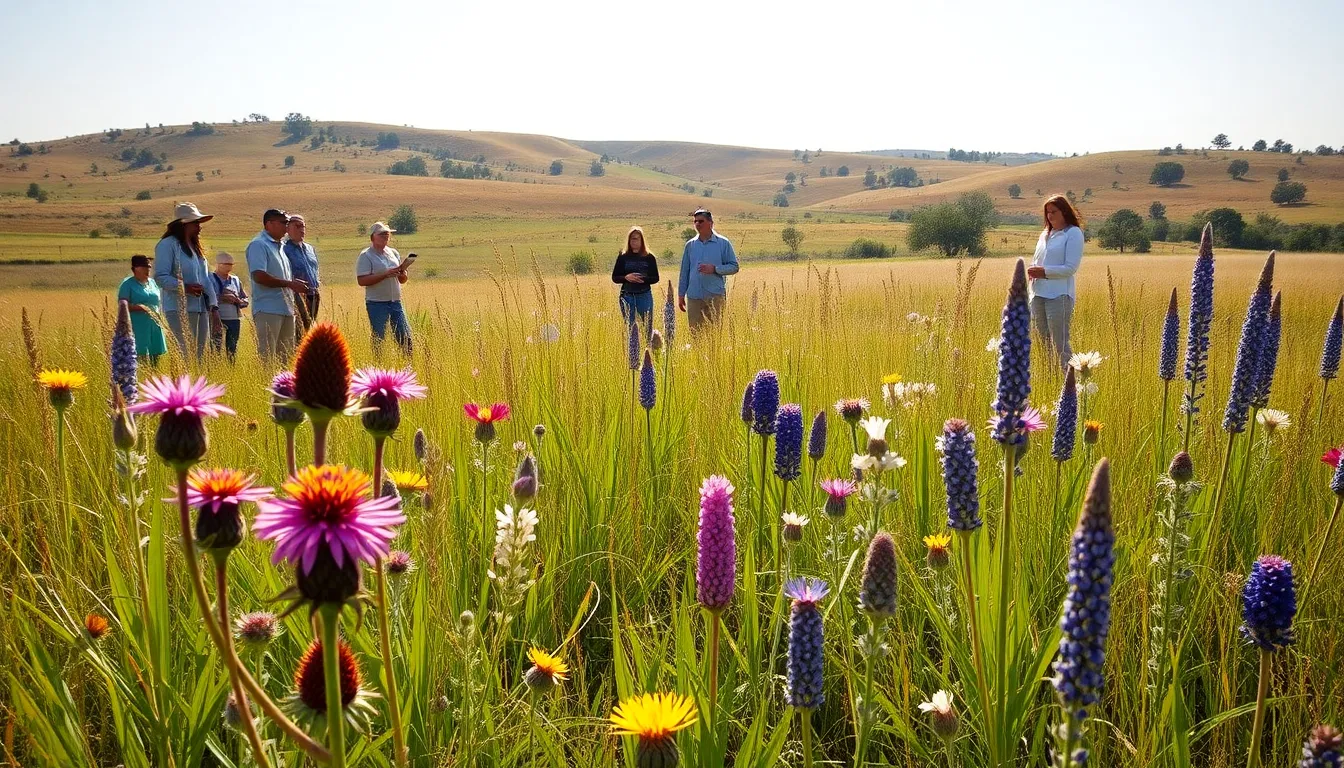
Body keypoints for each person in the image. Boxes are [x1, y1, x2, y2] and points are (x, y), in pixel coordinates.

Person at [153, 202, 220, 362]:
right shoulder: (167, 245)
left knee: (201, 356)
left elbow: (206, 279)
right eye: (196, 222)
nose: (199, 227)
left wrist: (214, 306)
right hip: (178, 309)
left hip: (200, 308)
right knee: (185, 355)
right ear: (183, 224)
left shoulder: (196, 249)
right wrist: (184, 287)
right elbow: (160, 277)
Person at [1028, 194, 1085, 369]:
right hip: (1037, 294)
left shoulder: (1073, 233)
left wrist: (1044, 272)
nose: (1050, 216)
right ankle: (1050, 380)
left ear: (1065, 212)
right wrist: (1032, 271)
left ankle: (1068, 386)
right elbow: (1037, 260)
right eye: (1047, 213)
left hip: (1059, 296)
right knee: (1042, 343)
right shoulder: (1044, 234)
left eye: (1054, 211)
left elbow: (1070, 268)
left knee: (1060, 344)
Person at [246, 209, 306, 362]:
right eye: (283, 223)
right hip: (268, 308)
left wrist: (293, 284)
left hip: (286, 309)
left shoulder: (280, 246)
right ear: (269, 224)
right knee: (268, 358)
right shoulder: (259, 245)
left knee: (286, 358)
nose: (287, 227)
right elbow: (259, 276)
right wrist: (290, 284)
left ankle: (283, 386)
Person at [677, 208, 738, 331]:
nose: (697, 224)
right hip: (694, 296)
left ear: (710, 223)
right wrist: (681, 294)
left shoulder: (723, 243)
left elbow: (734, 267)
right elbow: (685, 271)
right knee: (695, 335)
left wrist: (715, 269)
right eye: (695, 222)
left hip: (715, 296)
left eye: (701, 221)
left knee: (714, 335)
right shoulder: (690, 245)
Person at [356, 221, 412, 353]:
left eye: (387, 234)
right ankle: (378, 366)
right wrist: (385, 274)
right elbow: (362, 280)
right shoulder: (366, 255)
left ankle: (408, 367)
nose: (386, 236)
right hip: (377, 303)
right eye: (382, 234)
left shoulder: (393, 253)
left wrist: (402, 273)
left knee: (405, 337)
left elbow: (402, 280)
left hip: (396, 302)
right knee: (379, 338)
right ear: (373, 237)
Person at [117, 254, 168, 363]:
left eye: (149, 266)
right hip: (138, 326)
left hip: (155, 324)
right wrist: (138, 307)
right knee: (141, 355)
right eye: (144, 266)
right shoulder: (127, 284)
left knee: (156, 355)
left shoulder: (153, 283)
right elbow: (122, 305)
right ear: (135, 269)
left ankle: (154, 376)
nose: (148, 269)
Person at [611, 225, 660, 330]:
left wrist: (641, 279)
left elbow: (655, 278)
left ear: (642, 240)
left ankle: (647, 346)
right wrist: (626, 277)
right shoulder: (623, 256)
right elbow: (615, 277)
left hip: (644, 296)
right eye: (631, 239)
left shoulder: (649, 257)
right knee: (631, 329)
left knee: (647, 328)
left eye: (636, 239)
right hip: (627, 296)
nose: (633, 241)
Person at [282, 213, 320, 333]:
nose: (302, 230)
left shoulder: (310, 249)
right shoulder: (283, 249)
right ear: (288, 228)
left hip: (313, 294)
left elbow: (315, 268)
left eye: (303, 226)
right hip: (296, 295)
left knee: (310, 328)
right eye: (297, 226)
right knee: (298, 330)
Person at [209, 252, 248, 362]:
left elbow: (245, 298)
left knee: (232, 348)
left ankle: (231, 367)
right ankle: (215, 368)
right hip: (216, 318)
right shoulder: (210, 278)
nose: (229, 267)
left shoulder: (235, 280)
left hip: (234, 319)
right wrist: (222, 298)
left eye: (231, 264)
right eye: (226, 264)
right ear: (218, 264)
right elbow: (206, 297)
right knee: (215, 348)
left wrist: (238, 301)